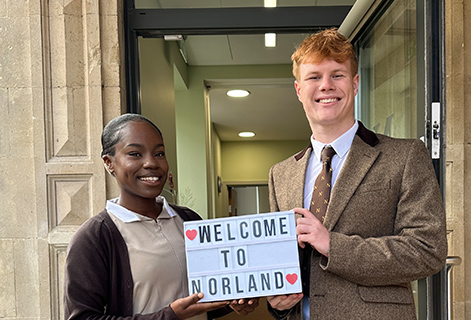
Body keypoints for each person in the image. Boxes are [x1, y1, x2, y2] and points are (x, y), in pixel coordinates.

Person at [266, 28, 447, 319]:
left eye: (337, 75)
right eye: (314, 77)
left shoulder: (405, 156)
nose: (326, 86)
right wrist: (276, 302)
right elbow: (282, 263)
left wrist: (333, 246)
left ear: (355, 83)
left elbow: (427, 249)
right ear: (299, 89)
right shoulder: (281, 174)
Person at [64, 113, 259, 319]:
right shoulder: (94, 238)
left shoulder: (188, 220)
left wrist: (232, 302)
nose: (151, 163)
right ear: (109, 162)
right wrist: (169, 316)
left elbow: (204, 297)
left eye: (159, 154)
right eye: (135, 154)